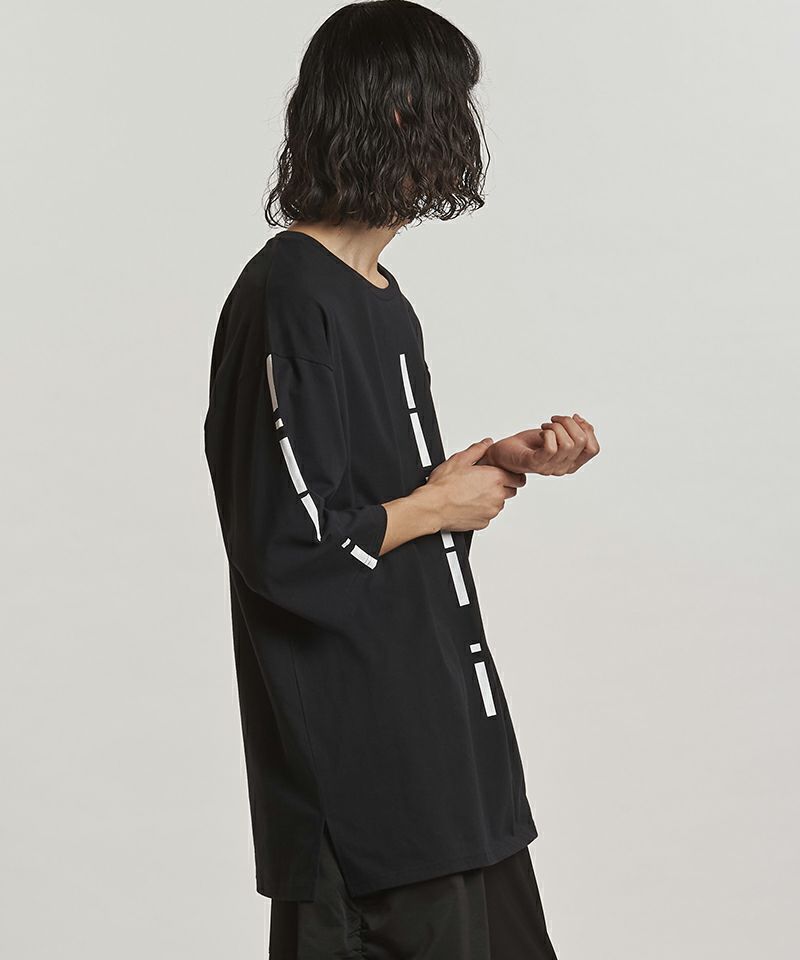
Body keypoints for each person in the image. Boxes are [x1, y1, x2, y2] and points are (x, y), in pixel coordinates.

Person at [203, 2, 599, 957]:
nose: (460, 134)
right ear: (386, 112)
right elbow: (286, 549)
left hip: (451, 757)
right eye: (443, 106)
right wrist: (433, 506)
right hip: (367, 786)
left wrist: (488, 467)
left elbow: (361, 499)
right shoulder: (287, 296)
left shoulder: (383, 302)